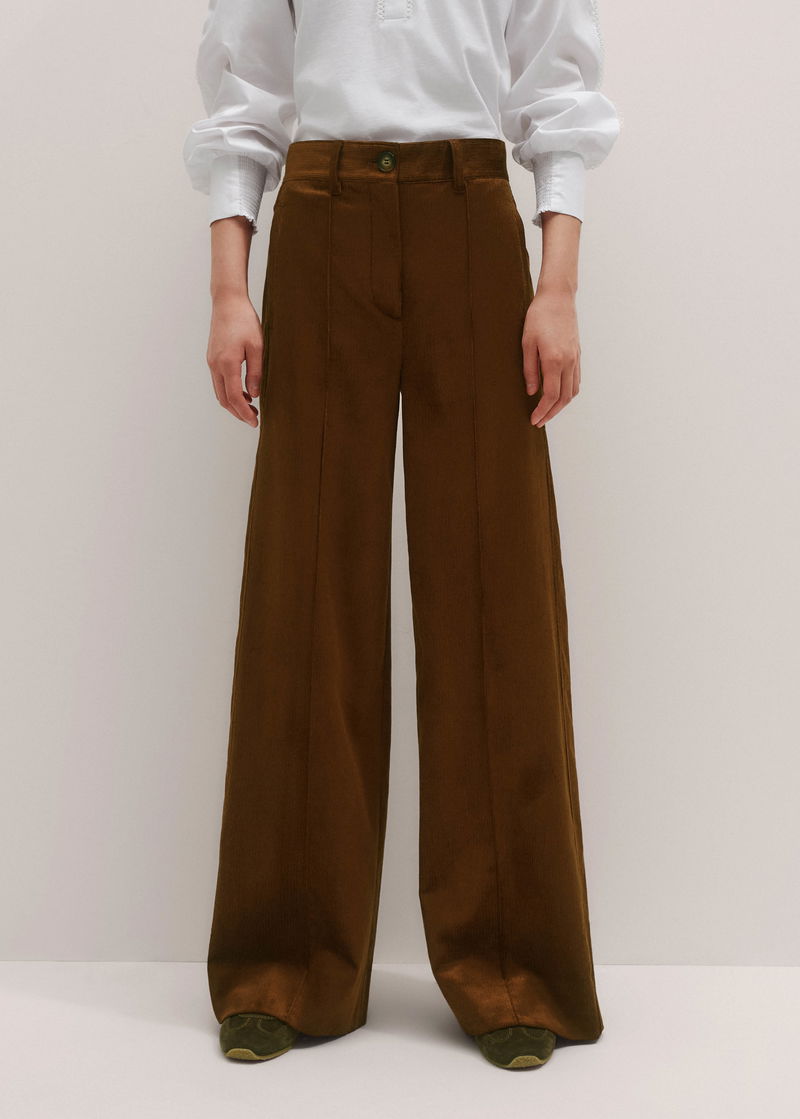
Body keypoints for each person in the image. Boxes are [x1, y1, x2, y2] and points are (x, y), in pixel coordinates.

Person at [183, 0, 620, 1071]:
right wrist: (229, 290)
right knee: (303, 593)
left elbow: (557, 89)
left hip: (470, 212)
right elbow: (245, 94)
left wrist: (557, 287)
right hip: (321, 212)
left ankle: (514, 968)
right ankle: (283, 965)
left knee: (495, 593)